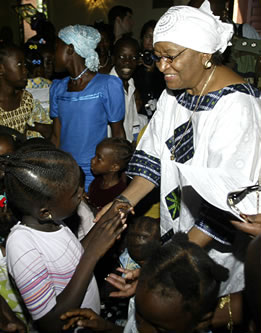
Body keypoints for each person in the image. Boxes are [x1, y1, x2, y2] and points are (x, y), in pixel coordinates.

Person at [96, 1, 261, 300]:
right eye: (157, 57)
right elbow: (154, 160)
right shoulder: (175, 94)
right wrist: (121, 203)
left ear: (205, 54)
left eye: (170, 57)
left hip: (211, 250)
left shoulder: (238, 108)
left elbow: (226, 206)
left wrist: (165, 265)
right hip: (178, 238)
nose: (161, 67)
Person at [1, 147, 129, 333]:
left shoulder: (53, 222)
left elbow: (72, 257)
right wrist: (92, 256)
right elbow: (51, 324)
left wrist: (105, 220)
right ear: (45, 211)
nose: (81, 193)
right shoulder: (21, 245)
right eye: (73, 194)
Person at [60, 232, 229, 333]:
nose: (143, 329)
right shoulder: (154, 312)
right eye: (139, 318)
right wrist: (106, 326)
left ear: (202, 322)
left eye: (161, 330)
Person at [50, 25, 126, 192]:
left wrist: (117, 176)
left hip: (96, 171)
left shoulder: (107, 85)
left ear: (70, 49)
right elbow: (56, 136)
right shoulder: (57, 88)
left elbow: (118, 134)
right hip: (65, 172)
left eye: (56, 48)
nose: (52, 54)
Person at [0, 42, 50, 139]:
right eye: (19, 64)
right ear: (1, 69)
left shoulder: (26, 99)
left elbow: (47, 130)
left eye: (25, 64)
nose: (25, 70)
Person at [110, 36, 147, 142]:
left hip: (128, 146)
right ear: (113, 58)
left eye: (133, 58)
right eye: (122, 57)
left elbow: (133, 121)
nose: (127, 62)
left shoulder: (130, 83)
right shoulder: (107, 88)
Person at [88, 137, 134, 210]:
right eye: (95, 155)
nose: (92, 160)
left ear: (114, 167)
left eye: (99, 158)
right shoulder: (95, 183)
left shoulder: (120, 193)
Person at [133, 20, 165, 118]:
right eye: (148, 36)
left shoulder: (164, 61)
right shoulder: (133, 58)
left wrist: (154, 71)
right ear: (142, 39)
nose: (151, 40)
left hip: (158, 112)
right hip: (139, 112)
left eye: (154, 36)